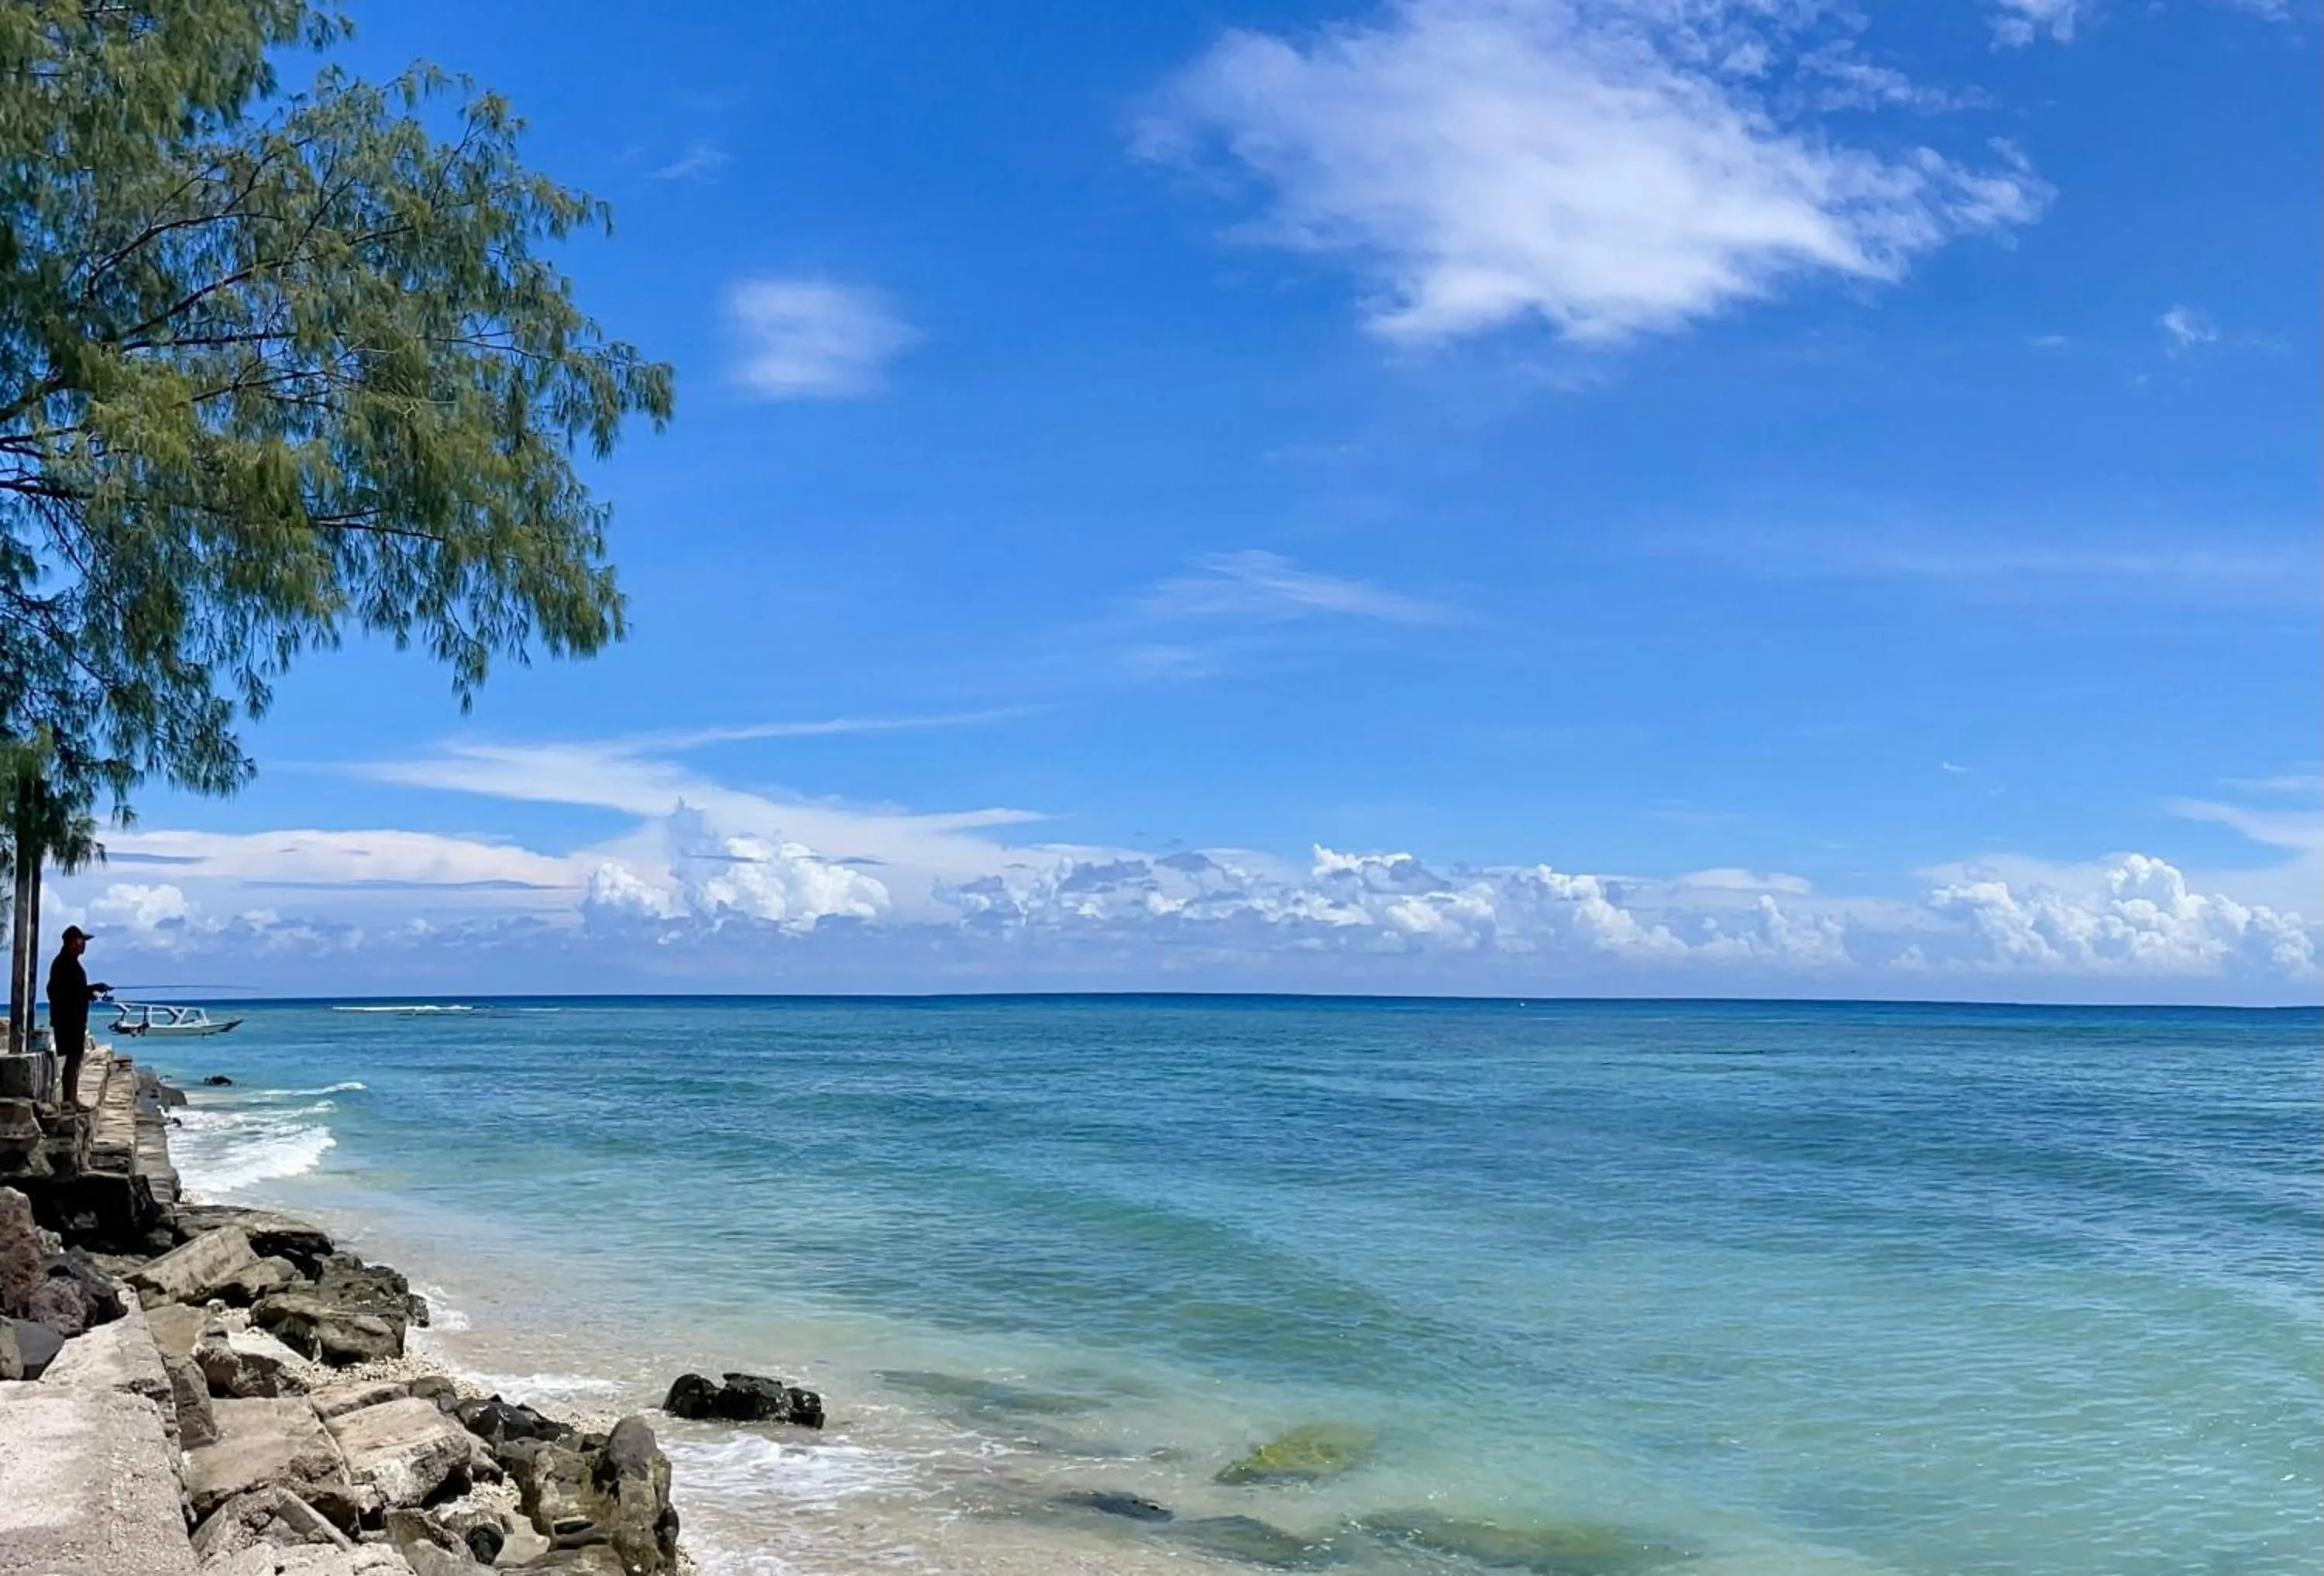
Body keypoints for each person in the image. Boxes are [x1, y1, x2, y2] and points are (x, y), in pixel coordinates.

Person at [46, 925, 109, 1111]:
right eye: (82, 942)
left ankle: (72, 1099)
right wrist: (91, 989)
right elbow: (64, 992)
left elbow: (74, 991)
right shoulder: (64, 963)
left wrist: (89, 992)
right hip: (68, 1020)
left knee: (75, 1058)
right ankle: (69, 1100)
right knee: (73, 1059)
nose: (84, 945)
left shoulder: (68, 962)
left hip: (73, 1018)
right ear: (73, 943)